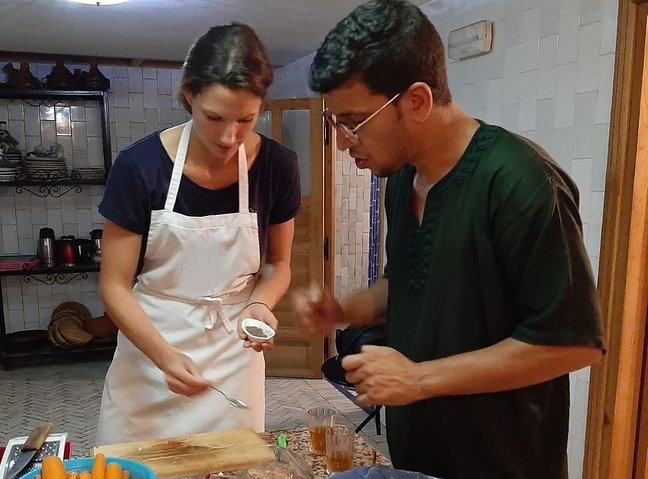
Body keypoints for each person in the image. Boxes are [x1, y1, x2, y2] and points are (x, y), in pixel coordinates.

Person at [293, 1, 604, 478]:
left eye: (353, 122)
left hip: (506, 465)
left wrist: (420, 378)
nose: (342, 141)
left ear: (416, 101)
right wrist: (345, 309)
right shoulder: (401, 179)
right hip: (419, 459)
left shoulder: (520, 182)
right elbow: (413, 283)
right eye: (338, 123)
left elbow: (572, 342)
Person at [96, 22, 301, 445]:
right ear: (189, 95)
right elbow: (114, 286)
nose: (230, 137)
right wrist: (164, 356)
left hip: (233, 350)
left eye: (246, 120)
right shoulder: (139, 166)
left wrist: (260, 305)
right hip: (153, 347)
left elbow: (279, 264)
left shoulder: (277, 166)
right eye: (214, 118)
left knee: (234, 467)